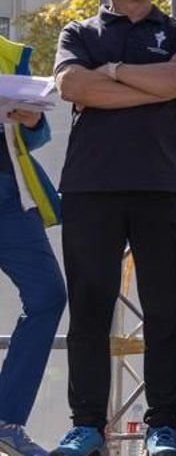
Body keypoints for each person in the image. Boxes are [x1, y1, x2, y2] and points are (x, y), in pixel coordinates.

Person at [49, 0, 176, 456]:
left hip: (165, 188)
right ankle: (87, 425)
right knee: (89, 311)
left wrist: (112, 74)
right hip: (91, 188)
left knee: (167, 312)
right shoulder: (78, 32)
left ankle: (163, 425)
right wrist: (152, 82)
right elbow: (74, 86)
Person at [0, 34, 66, 456]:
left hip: (10, 197)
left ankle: (6, 418)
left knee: (48, 295)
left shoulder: (9, 54)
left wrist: (30, 121)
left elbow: (35, 134)